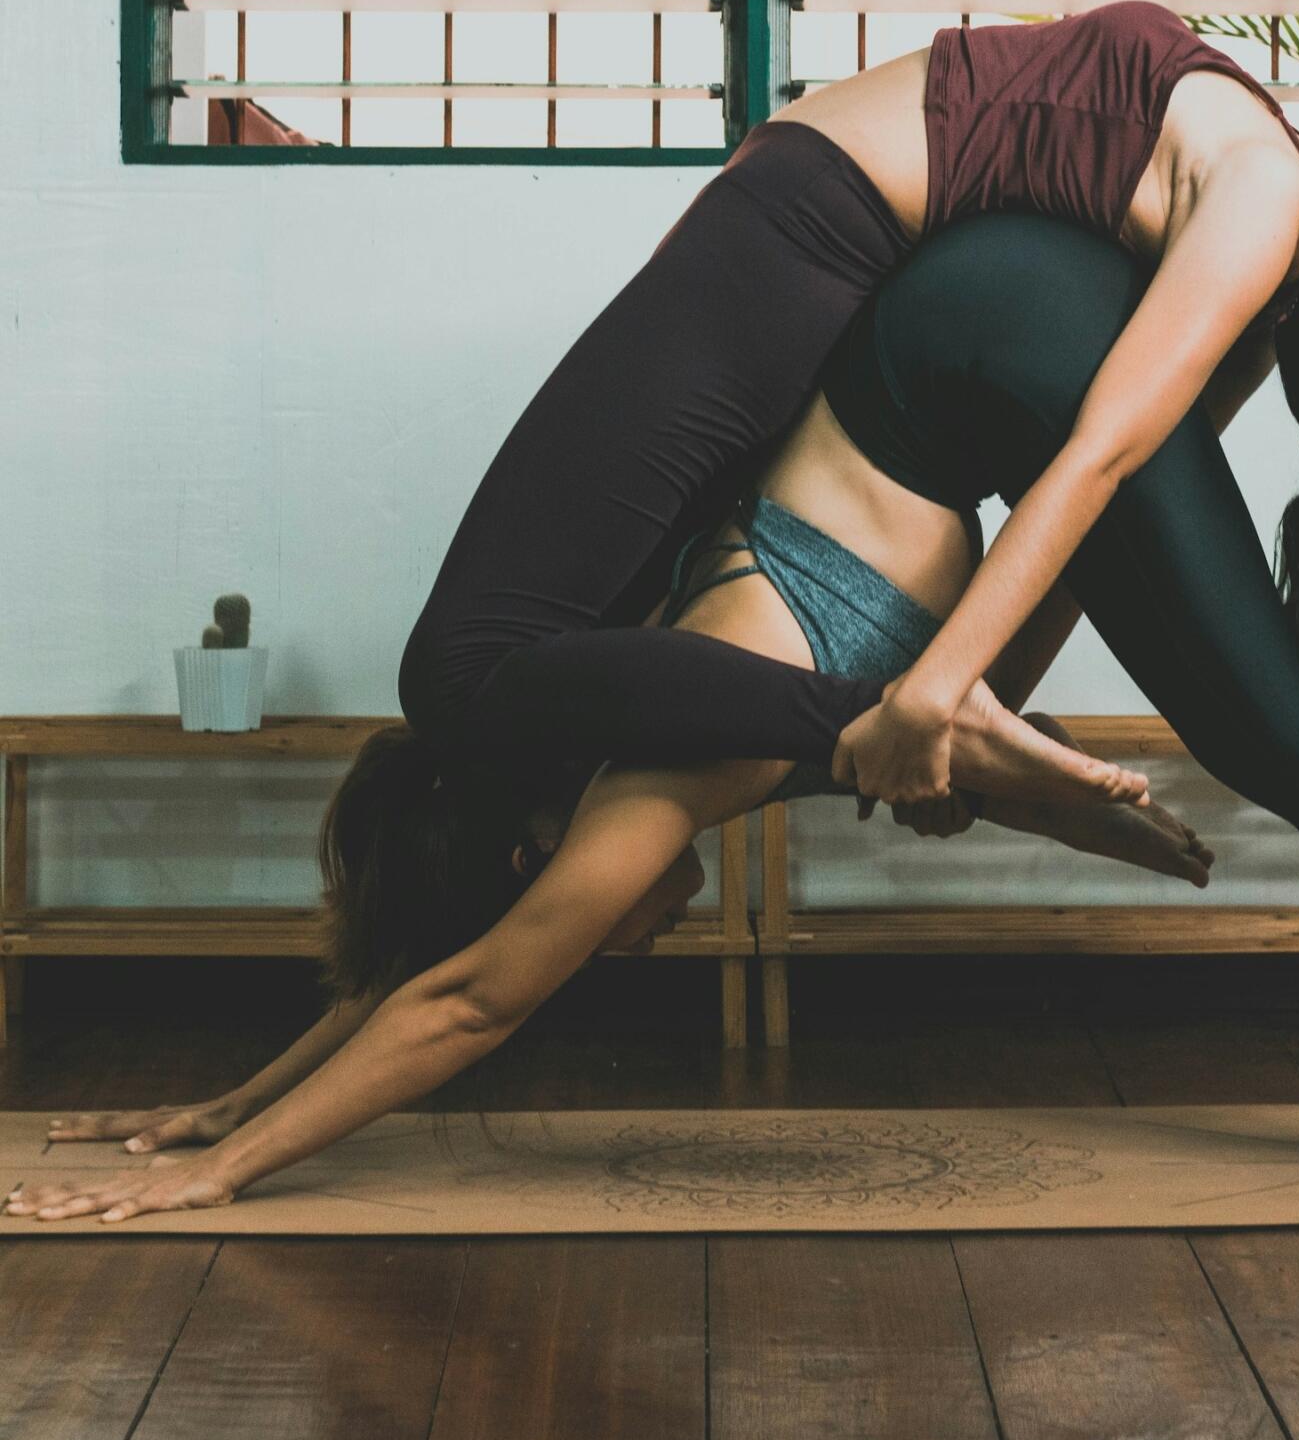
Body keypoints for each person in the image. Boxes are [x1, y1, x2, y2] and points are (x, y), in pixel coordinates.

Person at [7, 321, 1209, 1226]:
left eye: (588, 923)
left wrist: (225, 1171)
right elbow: (421, 968)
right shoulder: (618, 751)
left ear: (539, 862)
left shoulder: (648, 788)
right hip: (960, 392)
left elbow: (469, 996)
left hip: (942, 359)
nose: (629, 939)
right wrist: (232, 1101)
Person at [397, 0, 1299, 829]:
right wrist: (982, 705)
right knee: (575, 644)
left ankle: (855, 719)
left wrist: (949, 697)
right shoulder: (1272, 222)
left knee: (456, 678)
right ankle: (530, 823)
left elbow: (1099, 477)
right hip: (803, 253)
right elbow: (1100, 522)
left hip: (798, 234)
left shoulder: (1260, 207)